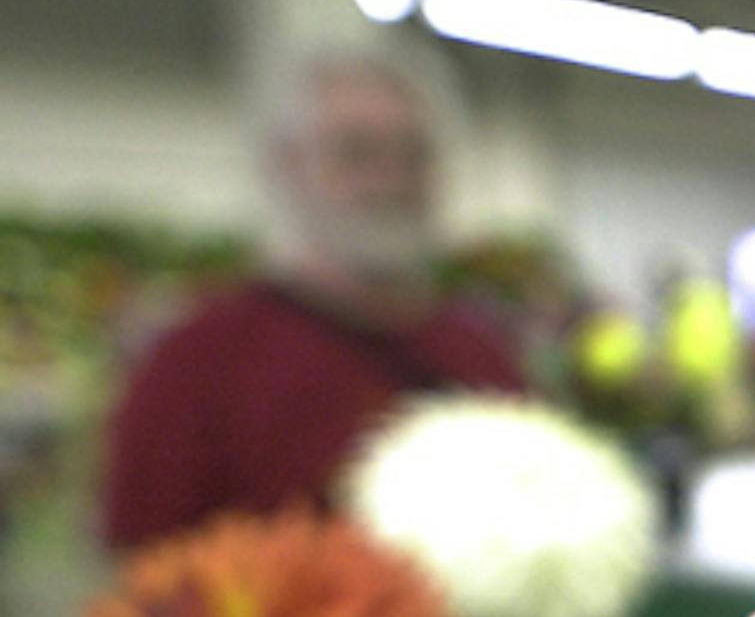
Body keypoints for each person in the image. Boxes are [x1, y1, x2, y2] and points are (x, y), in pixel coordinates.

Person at [103, 52, 523, 551]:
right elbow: (146, 571)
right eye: (356, 153)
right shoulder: (197, 360)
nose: (392, 181)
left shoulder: (482, 353)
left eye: (415, 155)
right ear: (286, 164)